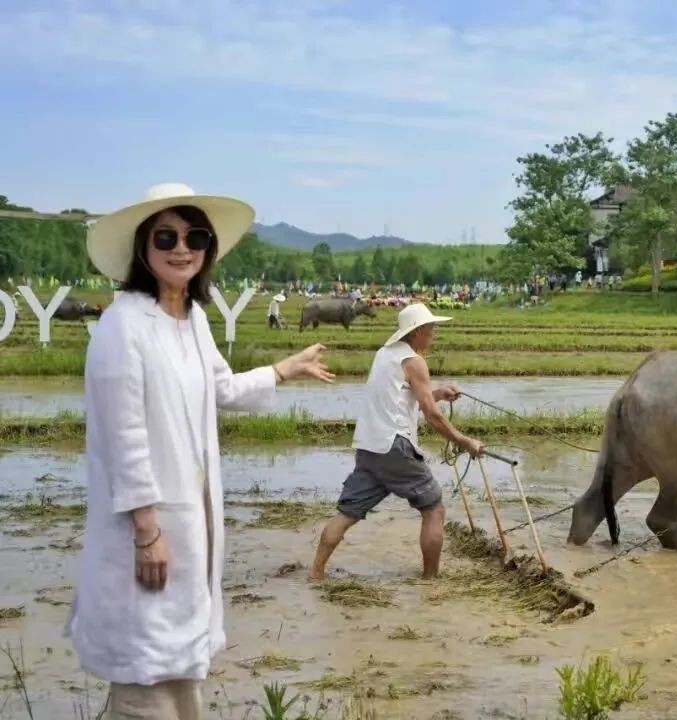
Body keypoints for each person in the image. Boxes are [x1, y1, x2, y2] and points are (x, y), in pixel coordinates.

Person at [66, 182, 334, 720]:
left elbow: (222, 387)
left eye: (196, 236)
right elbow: (124, 436)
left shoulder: (193, 319)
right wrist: (147, 533)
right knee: (144, 680)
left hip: (191, 529)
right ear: (143, 247)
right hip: (149, 530)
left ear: (209, 248)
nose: (181, 247)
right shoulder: (124, 324)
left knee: (182, 677)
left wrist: (283, 369)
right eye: (166, 236)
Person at [309, 302, 485, 582]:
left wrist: (438, 392)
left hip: (369, 448)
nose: (433, 335)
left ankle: (315, 573)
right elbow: (432, 416)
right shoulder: (414, 361)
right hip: (395, 447)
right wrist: (464, 441)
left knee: (347, 512)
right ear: (417, 332)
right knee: (434, 509)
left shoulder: (384, 354)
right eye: (431, 329)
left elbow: (400, 398)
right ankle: (430, 581)